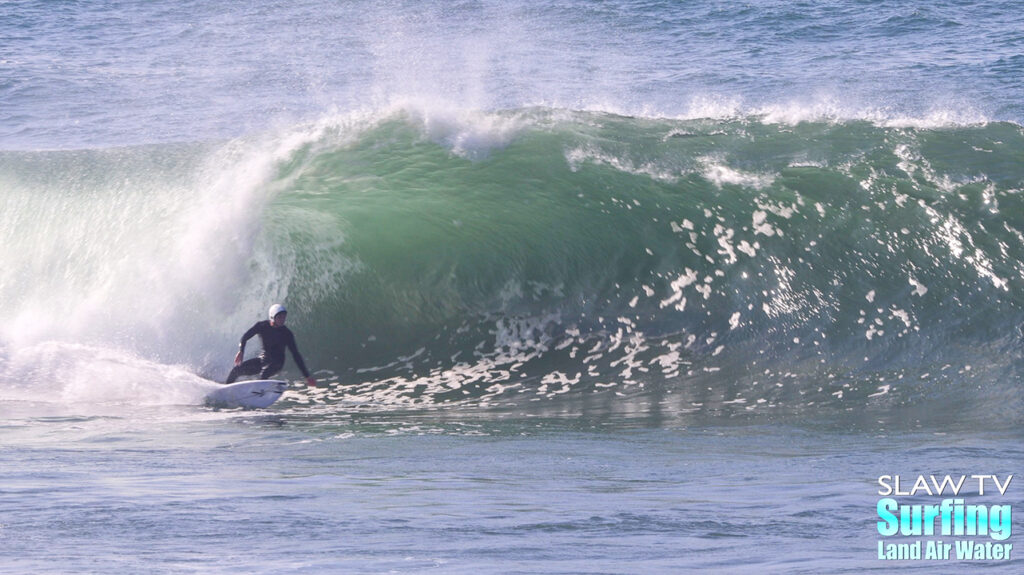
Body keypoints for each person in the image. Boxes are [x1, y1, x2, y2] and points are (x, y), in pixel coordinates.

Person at [225, 303, 317, 387]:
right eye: (279, 317)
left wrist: (307, 376)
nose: (282, 319)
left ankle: (259, 395)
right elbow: (245, 337)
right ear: (272, 317)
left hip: (277, 362)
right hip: (263, 360)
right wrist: (241, 351)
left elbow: (296, 355)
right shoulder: (262, 326)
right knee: (236, 370)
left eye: (284, 317)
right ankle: (225, 389)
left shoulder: (287, 333)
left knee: (264, 374)